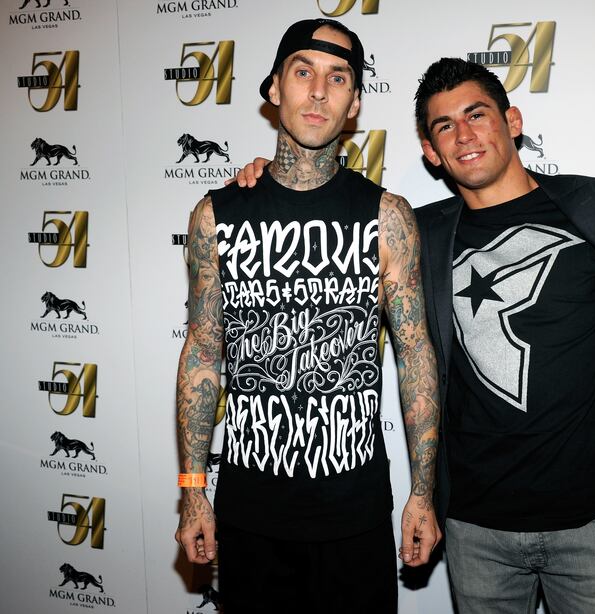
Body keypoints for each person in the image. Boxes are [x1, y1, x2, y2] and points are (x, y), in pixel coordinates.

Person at [235, 58, 595, 613]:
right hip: (475, 528)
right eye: (445, 126)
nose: (464, 135)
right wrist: (271, 184)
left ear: (513, 121)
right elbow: (325, 223)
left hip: (592, 523)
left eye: (476, 115)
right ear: (431, 152)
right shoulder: (418, 232)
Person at [174, 19, 441, 614]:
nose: (319, 91)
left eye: (338, 78)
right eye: (303, 72)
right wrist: (192, 491)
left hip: (355, 516)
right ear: (275, 89)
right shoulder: (215, 216)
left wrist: (423, 492)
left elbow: (415, 355)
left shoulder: (388, 217)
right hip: (249, 516)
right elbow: (202, 355)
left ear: (354, 104)